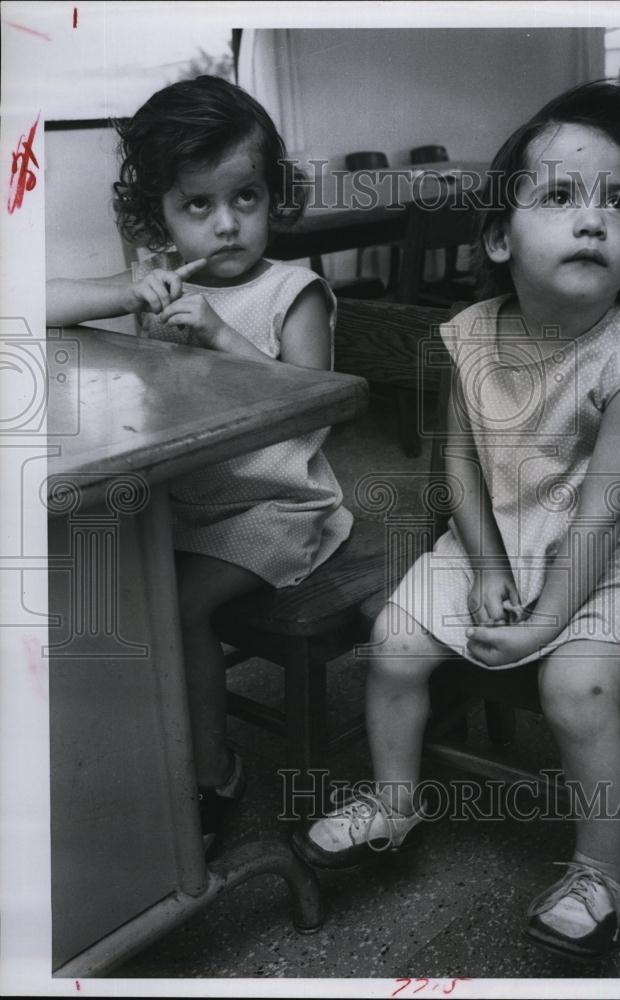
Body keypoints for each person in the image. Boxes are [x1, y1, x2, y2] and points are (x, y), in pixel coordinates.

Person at [292, 81, 620, 962]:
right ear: (499, 237)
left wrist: (548, 621)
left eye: (618, 205)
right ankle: (397, 802)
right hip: (500, 532)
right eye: (559, 196)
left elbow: (601, 514)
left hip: (616, 550)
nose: (592, 221)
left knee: (571, 689)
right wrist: (482, 568)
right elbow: (462, 461)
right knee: (394, 642)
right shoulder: (470, 334)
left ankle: (599, 868)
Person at [46, 75, 352, 855]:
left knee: (175, 610)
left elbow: (318, 404)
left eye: (244, 199)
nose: (225, 225)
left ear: (271, 197)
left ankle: (212, 776)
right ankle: (129, 761)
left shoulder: (294, 291)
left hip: (276, 509)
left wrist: (221, 337)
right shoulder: (160, 286)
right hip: (180, 500)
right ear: (159, 217)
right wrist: (120, 288)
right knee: (94, 594)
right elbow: (27, 306)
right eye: (197, 207)